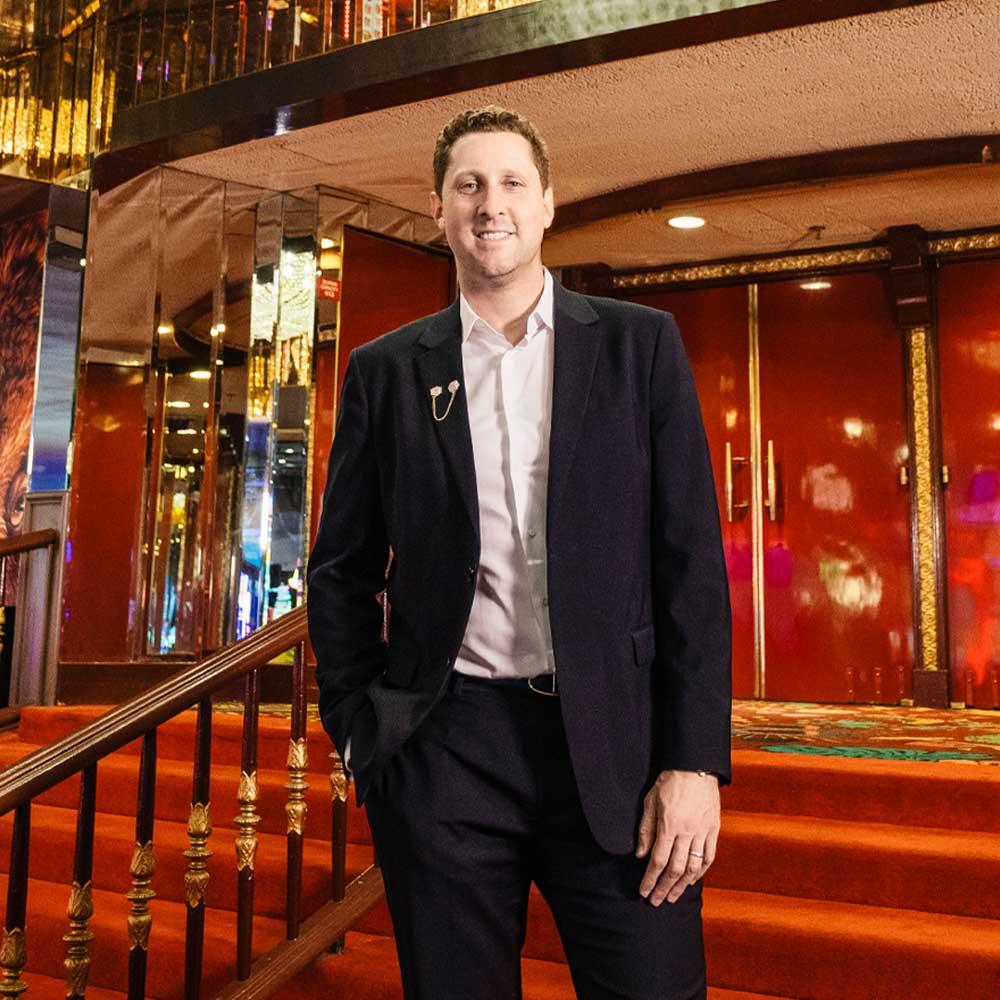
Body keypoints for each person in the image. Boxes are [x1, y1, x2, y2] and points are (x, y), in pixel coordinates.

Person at [307, 105, 732, 1000]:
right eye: (468, 185)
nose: (488, 203)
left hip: (616, 748)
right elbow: (342, 567)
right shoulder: (387, 372)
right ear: (439, 209)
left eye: (510, 183)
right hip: (446, 750)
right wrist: (360, 728)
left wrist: (695, 762)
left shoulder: (637, 345)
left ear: (547, 205)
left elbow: (690, 564)